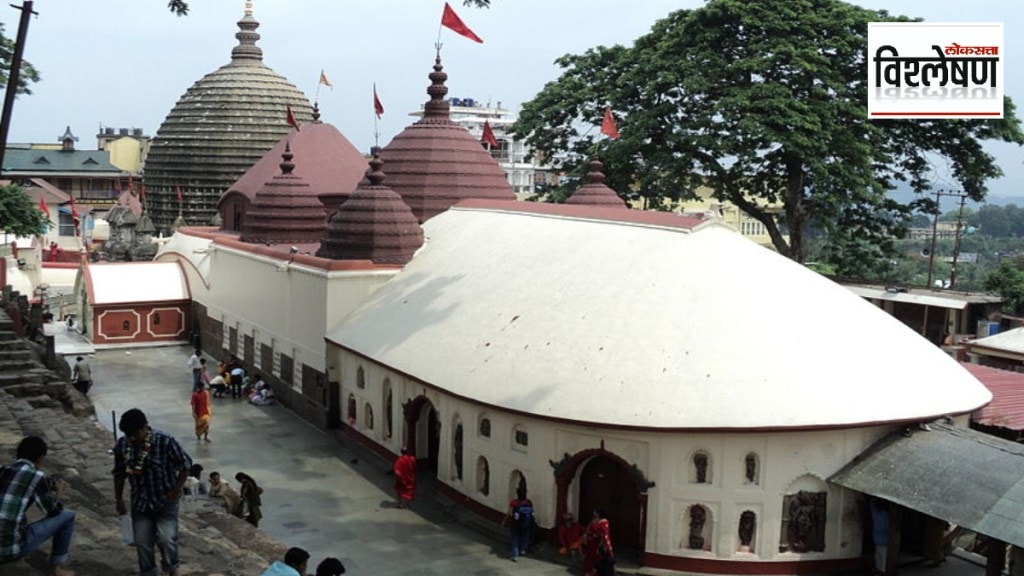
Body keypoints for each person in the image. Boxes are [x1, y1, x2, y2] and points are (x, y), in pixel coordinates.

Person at [113, 408, 192, 576]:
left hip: (165, 500)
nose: (132, 438)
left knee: (167, 538)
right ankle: (149, 572)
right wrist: (119, 499)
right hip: (140, 502)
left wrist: (177, 489)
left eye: (135, 434)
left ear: (145, 427)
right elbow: (119, 474)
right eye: (129, 435)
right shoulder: (122, 445)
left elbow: (185, 465)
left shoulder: (165, 441)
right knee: (142, 541)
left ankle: (172, 569)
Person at [0, 436, 76, 576]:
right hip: (8, 549)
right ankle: (55, 569)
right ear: (40, 458)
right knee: (68, 516)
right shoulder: (36, 476)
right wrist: (57, 493)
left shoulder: (2, 469)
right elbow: (53, 511)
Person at [503, 486, 533, 561]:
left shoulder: (514, 502)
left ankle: (515, 555)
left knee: (514, 538)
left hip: (515, 523)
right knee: (525, 536)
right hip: (527, 523)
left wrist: (504, 520)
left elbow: (509, 512)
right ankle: (523, 550)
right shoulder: (529, 502)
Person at [583, 508, 614, 576]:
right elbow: (588, 529)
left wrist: (603, 543)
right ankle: (589, 571)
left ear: (598, 513)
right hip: (592, 542)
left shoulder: (604, 522)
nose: (593, 514)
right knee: (590, 556)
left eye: (595, 512)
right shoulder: (593, 520)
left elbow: (604, 533)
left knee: (598, 557)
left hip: (599, 542)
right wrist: (586, 536)